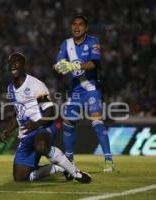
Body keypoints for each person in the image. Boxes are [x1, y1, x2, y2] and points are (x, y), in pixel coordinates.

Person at [1, 52, 91, 183]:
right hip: (26, 134)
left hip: (43, 127)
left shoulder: (35, 84)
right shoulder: (10, 89)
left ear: (23, 65)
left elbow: (50, 111)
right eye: (10, 62)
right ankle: (60, 168)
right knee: (20, 178)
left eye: (16, 61)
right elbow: (18, 114)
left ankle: (76, 173)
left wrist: (36, 124)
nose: (12, 64)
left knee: (41, 146)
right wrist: (8, 130)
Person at [53, 15, 114, 172]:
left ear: (86, 28)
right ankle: (69, 161)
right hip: (74, 92)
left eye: (80, 24)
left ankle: (108, 161)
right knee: (68, 124)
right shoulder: (66, 44)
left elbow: (94, 64)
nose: (77, 27)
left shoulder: (93, 41)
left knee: (97, 122)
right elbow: (58, 63)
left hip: (91, 89)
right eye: (74, 24)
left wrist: (74, 66)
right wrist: (59, 67)